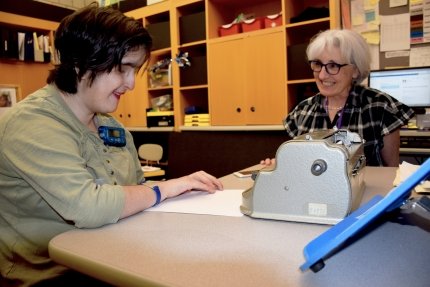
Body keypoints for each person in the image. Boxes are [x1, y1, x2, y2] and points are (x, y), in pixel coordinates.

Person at [0, 4, 223, 287]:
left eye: (134, 70)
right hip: (53, 274)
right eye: (122, 69)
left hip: (116, 255)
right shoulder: (31, 123)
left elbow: (139, 191)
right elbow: (87, 207)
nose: (130, 84)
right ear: (80, 62)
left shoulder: (112, 126)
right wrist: (165, 188)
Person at [262, 29, 414, 167]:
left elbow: (391, 171)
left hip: (367, 194)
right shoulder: (302, 112)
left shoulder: (379, 107)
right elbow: (298, 164)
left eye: (333, 66)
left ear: (355, 69)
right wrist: (279, 165)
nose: (322, 75)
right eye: (317, 64)